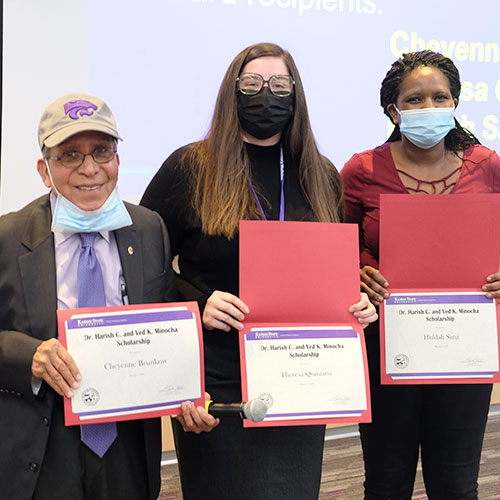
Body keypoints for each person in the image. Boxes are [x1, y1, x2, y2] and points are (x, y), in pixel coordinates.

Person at [141, 42, 377, 500]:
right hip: (216, 374)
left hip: (301, 370)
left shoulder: (321, 174)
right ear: (232, 93)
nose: (265, 94)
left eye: (278, 85)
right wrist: (195, 303)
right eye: (251, 84)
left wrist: (357, 304)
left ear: (296, 95)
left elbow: (334, 268)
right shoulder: (191, 167)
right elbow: (137, 262)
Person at [0, 93, 217, 500]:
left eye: (102, 151)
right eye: (69, 155)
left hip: (126, 440)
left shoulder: (149, 228)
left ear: (117, 158)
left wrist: (187, 393)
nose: (90, 169)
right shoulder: (8, 237)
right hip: (44, 442)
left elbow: (165, 327)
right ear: (44, 171)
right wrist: (28, 355)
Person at [341, 50, 500, 500]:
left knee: (456, 483)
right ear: (393, 110)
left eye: (439, 97)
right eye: (414, 100)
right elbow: (335, 244)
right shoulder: (361, 170)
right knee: (387, 483)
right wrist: (356, 272)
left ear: (455, 104)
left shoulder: (489, 166)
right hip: (385, 345)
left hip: (464, 349)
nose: (428, 108)